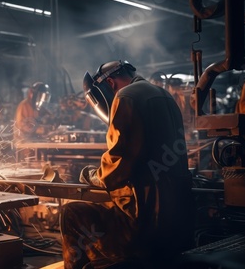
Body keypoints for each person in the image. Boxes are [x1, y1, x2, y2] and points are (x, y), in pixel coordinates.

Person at [60, 60, 194, 268]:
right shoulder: (164, 95)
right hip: (177, 222)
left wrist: (91, 175)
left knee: (72, 213)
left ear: (110, 84)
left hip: (142, 228)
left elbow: (117, 166)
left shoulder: (126, 97)